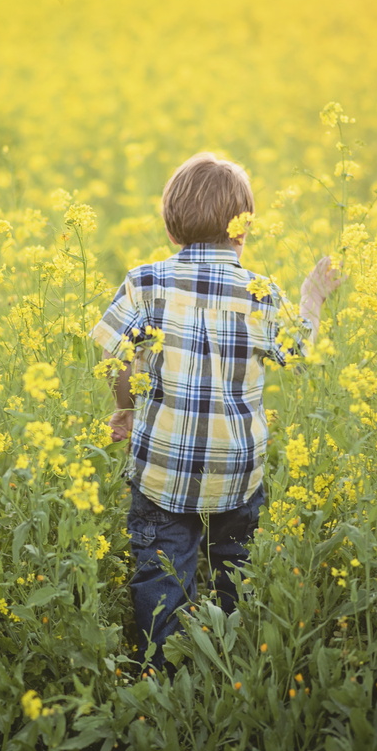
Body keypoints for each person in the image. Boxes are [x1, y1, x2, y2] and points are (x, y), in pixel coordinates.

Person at [90, 152, 341, 667]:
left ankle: (161, 672)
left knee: (162, 570)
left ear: (171, 229)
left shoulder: (145, 282)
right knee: (236, 567)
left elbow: (116, 358)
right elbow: (298, 354)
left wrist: (126, 408)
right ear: (242, 231)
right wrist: (312, 297)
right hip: (237, 469)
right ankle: (237, 659)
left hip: (162, 468)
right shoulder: (261, 293)